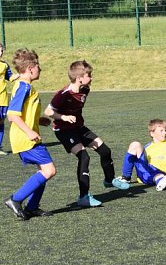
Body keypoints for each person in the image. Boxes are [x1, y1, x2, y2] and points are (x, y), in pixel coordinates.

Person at [43, 60, 130, 209]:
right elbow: (48, 111)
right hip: (63, 130)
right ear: (79, 78)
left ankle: (109, 180)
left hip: (79, 127)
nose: (92, 78)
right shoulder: (63, 94)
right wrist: (63, 117)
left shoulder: (85, 90)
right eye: (89, 75)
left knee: (105, 150)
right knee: (84, 157)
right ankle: (83, 197)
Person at [3, 48, 56, 219]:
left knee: (42, 171)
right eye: (38, 66)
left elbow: (23, 112)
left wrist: (38, 120)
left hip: (27, 136)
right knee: (49, 170)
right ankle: (15, 199)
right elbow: (12, 115)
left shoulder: (25, 86)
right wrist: (29, 131)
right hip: (25, 138)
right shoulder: (24, 87)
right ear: (30, 68)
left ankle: (32, 207)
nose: (40, 69)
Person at [119, 119, 166, 191]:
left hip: (160, 173)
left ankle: (161, 183)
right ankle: (126, 178)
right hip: (144, 173)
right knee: (135, 144)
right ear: (152, 133)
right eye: (161, 131)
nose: (165, 133)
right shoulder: (147, 147)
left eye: (165, 130)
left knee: (159, 175)